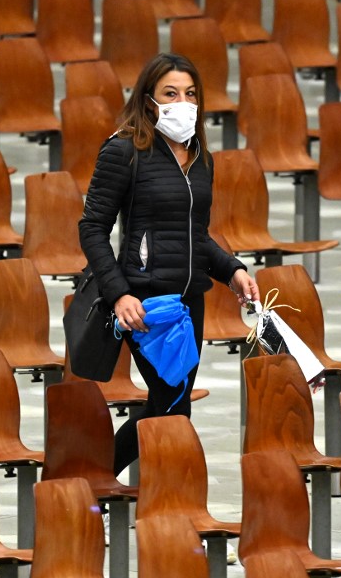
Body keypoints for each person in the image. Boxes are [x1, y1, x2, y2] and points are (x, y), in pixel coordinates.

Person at [79, 52, 259, 476]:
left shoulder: (200, 157)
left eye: (190, 93)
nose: (183, 102)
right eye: (171, 93)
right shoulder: (124, 151)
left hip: (189, 303)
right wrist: (119, 293)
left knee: (166, 407)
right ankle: (158, 506)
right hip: (145, 305)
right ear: (148, 100)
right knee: (174, 411)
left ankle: (84, 481)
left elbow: (195, 238)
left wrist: (233, 269)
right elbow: (92, 229)